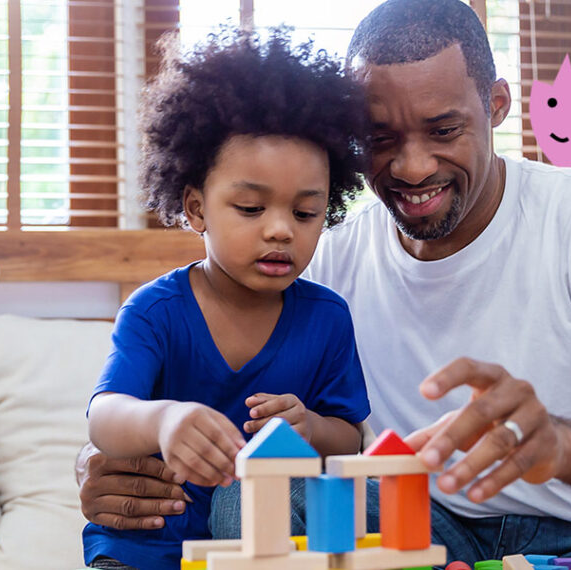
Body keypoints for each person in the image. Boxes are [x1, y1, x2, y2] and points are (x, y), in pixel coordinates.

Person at [77, 0, 571, 562]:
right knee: (256, 491)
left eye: (444, 130)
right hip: (419, 527)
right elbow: (227, 415)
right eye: (380, 138)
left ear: (495, 105)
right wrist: (107, 468)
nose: (413, 167)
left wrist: (561, 444)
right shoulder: (320, 260)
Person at [81, 28, 372, 570]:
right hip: (147, 546)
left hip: (265, 548)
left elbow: (350, 438)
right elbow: (105, 414)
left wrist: (310, 427)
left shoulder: (327, 319)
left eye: (306, 213)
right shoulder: (155, 311)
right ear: (195, 208)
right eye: (251, 208)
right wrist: (163, 421)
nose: (281, 230)